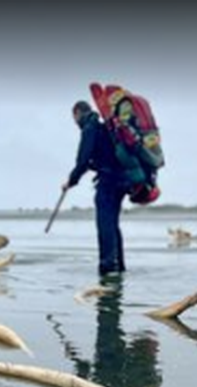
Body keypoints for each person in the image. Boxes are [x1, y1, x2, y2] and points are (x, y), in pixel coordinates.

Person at [62, 100, 127, 276]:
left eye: (74, 118)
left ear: (77, 113)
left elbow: (83, 161)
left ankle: (107, 266)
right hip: (122, 180)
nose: (75, 122)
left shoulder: (90, 128)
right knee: (113, 223)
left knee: (105, 223)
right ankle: (119, 265)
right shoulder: (104, 127)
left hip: (108, 181)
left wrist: (71, 181)